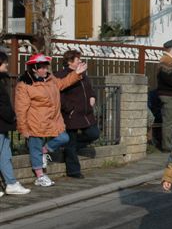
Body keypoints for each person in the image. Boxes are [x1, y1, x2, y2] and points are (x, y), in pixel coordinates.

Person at [15, 53, 87, 186]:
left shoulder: (50, 79)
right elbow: (21, 109)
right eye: (41, 67)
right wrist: (23, 128)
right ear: (34, 68)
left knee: (64, 138)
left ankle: (44, 150)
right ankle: (40, 176)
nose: (44, 70)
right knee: (35, 148)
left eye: (45, 67)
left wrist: (76, 74)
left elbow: (63, 83)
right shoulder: (24, 84)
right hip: (35, 121)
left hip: (53, 120)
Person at [54, 50, 100, 179]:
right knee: (71, 142)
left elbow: (89, 89)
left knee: (93, 133)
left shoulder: (83, 74)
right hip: (71, 115)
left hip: (86, 114)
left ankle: (69, 148)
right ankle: (74, 171)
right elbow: (59, 95)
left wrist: (92, 96)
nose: (80, 61)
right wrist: (70, 109)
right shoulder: (61, 75)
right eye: (77, 59)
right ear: (70, 62)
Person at [0, 51, 30, 196]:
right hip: (2, 123)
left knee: (5, 154)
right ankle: (10, 183)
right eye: (4, 62)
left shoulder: (2, 80)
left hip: (3, 125)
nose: (7, 64)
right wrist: (12, 116)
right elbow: (2, 105)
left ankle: (11, 183)